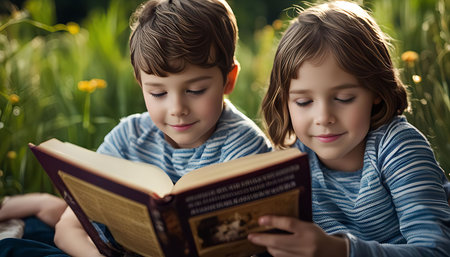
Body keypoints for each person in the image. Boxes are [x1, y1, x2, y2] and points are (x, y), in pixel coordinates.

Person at [0, 0, 272, 256]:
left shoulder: (245, 148)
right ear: (140, 84)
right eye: (158, 93)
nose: (177, 108)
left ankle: (39, 205)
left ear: (228, 80)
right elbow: (69, 228)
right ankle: (38, 205)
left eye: (195, 90)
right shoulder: (128, 138)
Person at [249, 1, 450, 257]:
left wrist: (340, 251)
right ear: (285, 102)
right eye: (304, 102)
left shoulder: (398, 148)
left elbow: (437, 251)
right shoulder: (292, 163)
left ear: (376, 90)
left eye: (344, 98)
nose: (323, 117)